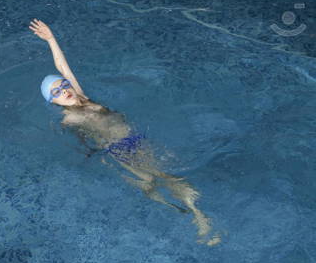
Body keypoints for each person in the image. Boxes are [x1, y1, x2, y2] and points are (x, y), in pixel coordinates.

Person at [29, 19, 220, 246]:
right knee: (153, 180)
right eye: (57, 92)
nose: (64, 90)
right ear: (54, 101)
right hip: (119, 149)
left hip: (133, 139)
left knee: (157, 178)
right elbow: (79, 140)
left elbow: (62, 67)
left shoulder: (82, 98)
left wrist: (51, 39)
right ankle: (190, 213)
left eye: (63, 85)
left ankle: (194, 214)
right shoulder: (68, 117)